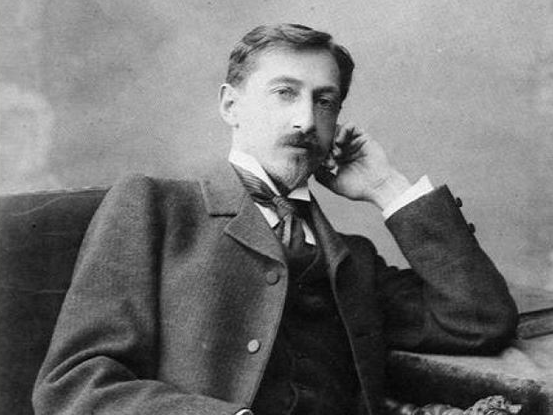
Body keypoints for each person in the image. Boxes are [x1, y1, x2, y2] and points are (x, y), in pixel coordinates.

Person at [33, 23, 519, 415]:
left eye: (324, 101)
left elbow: (478, 321)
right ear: (231, 105)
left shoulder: (351, 257)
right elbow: (76, 384)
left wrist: (386, 188)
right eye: (285, 93)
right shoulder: (157, 206)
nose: (305, 121)